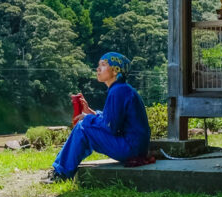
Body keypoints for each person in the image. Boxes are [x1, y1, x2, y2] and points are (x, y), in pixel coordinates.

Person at [43, 52, 151, 183]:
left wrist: (87, 118)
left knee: (83, 127)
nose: (98, 69)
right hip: (136, 148)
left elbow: (111, 127)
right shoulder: (122, 89)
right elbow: (112, 120)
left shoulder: (118, 91)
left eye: (103, 65)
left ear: (115, 71)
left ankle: (61, 173)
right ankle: (60, 169)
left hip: (130, 149)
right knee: (85, 126)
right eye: (99, 65)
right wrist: (91, 113)